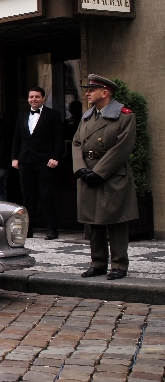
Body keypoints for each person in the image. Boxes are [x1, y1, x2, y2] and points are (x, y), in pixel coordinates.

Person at [73, 75, 138, 281]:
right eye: (87, 90)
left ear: (105, 92)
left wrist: (99, 173)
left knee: (116, 220)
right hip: (88, 172)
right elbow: (76, 143)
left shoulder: (124, 116)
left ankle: (119, 264)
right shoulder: (87, 116)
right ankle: (98, 263)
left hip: (111, 174)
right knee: (94, 220)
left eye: (91, 90)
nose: (87, 93)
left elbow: (122, 148)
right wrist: (80, 169)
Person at [12, 87, 64, 240]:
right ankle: (28, 229)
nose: (33, 99)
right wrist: (15, 157)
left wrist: (56, 157)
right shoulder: (22, 114)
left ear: (43, 98)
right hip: (25, 160)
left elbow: (59, 138)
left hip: (44, 160)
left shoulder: (52, 115)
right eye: (31, 97)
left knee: (46, 194)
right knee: (27, 196)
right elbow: (17, 138)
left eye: (37, 97)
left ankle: (52, 229)